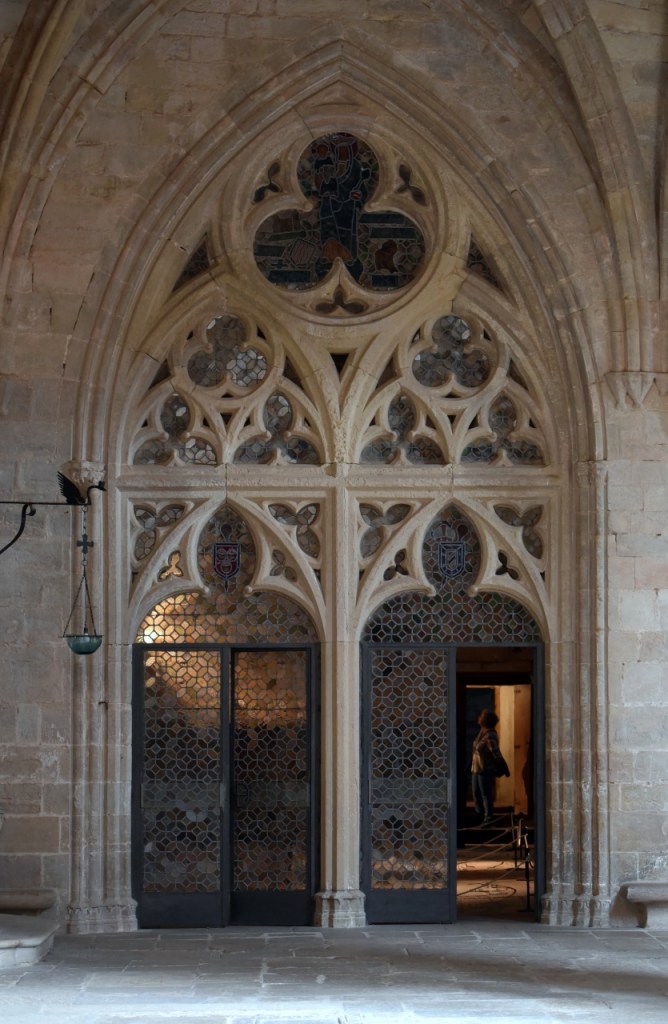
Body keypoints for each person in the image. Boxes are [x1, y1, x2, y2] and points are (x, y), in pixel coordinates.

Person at [470, 709, 509, 824]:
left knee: (485, 794)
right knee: (476, 793)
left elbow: (495, 752)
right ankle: (480, 816)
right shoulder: (482, 732)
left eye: (481, 716)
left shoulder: (490, 734)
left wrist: (501, 765)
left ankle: (488, 818)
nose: (479, 718)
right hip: (477, 768)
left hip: (485, 768)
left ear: (485, 720)